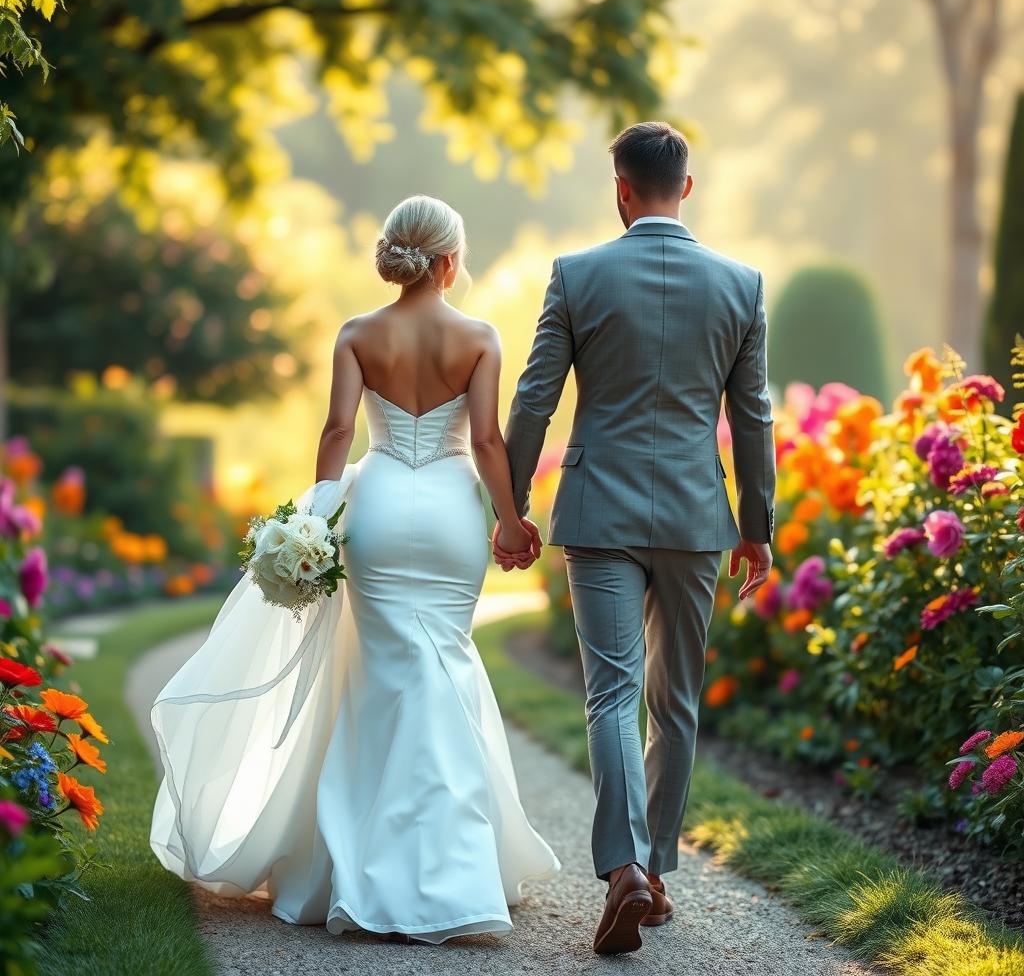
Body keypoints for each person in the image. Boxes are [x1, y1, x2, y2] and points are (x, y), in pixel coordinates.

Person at [150, 194, 558, 943]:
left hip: (372, 512)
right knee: (444, 666)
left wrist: (317, 521)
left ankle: (362, 862)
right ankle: (449, 872)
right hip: (446, 515)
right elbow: (490, 442)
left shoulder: (357, 334)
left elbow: (340, 430)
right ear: (448, 261)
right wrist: (509, 519)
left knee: (382, 676)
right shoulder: (478, 336)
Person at [497, 121, 776, 955]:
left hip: (599, 514)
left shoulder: (577, 276)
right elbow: (753, 415)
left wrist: (510, 505)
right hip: (696, 517)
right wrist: (757, 526)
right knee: (674, 701)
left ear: (620, 188)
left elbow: (534, 398)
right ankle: (651, 872)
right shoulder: (741, 284)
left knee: (612, 691)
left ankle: (619, 867)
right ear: (685, 187)